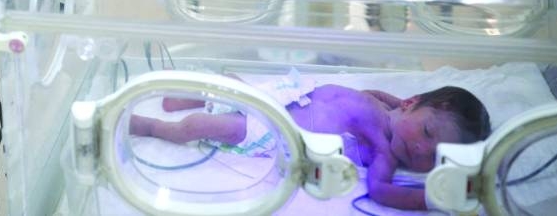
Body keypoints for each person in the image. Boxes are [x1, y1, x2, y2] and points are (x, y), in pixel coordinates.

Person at [129, 82, 491, 211]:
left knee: (202, 127)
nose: (419, 149)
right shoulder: (388, 106)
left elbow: (380, 191)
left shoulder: (384, 153)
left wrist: (427, 199)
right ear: (411, 103)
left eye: (433, 157)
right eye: (427, 133)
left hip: (271, 129)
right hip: (283, 94)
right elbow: (377, 98)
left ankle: (155, 127)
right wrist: (397, 101)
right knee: (226, 83)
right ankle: (185, 96)